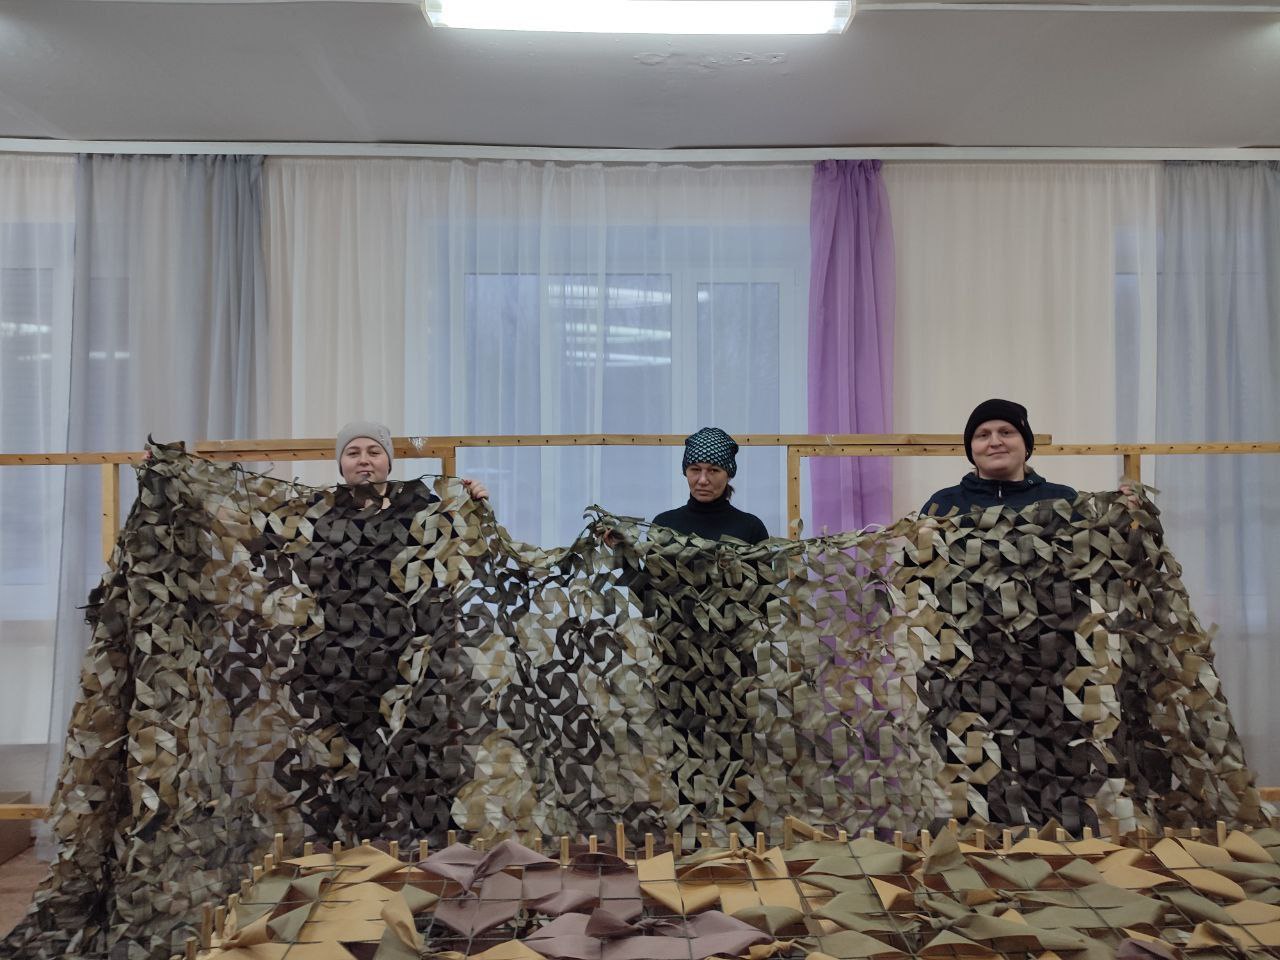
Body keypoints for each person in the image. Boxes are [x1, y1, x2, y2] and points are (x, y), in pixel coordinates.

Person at [921, 399, 1076, 516]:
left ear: (1026, 445)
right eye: (983, 435)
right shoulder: (942, 505)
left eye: (1006, 432)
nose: (995, 442)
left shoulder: (1065, 501)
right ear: (971, 449)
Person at [651, 427, 769, 543]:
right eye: (695, 469)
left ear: (729, 475)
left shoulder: (751, 529)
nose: (703, 480)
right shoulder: (663, 526)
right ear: (685, 472)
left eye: (713, 470)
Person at [336, 420, 488, 502]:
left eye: (374, 452)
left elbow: (460, 549)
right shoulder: (324, 511)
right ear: (341, 464)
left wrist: (472, 507)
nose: (363, 460)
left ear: (389, 462)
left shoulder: (423, 506)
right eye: (353, 453)